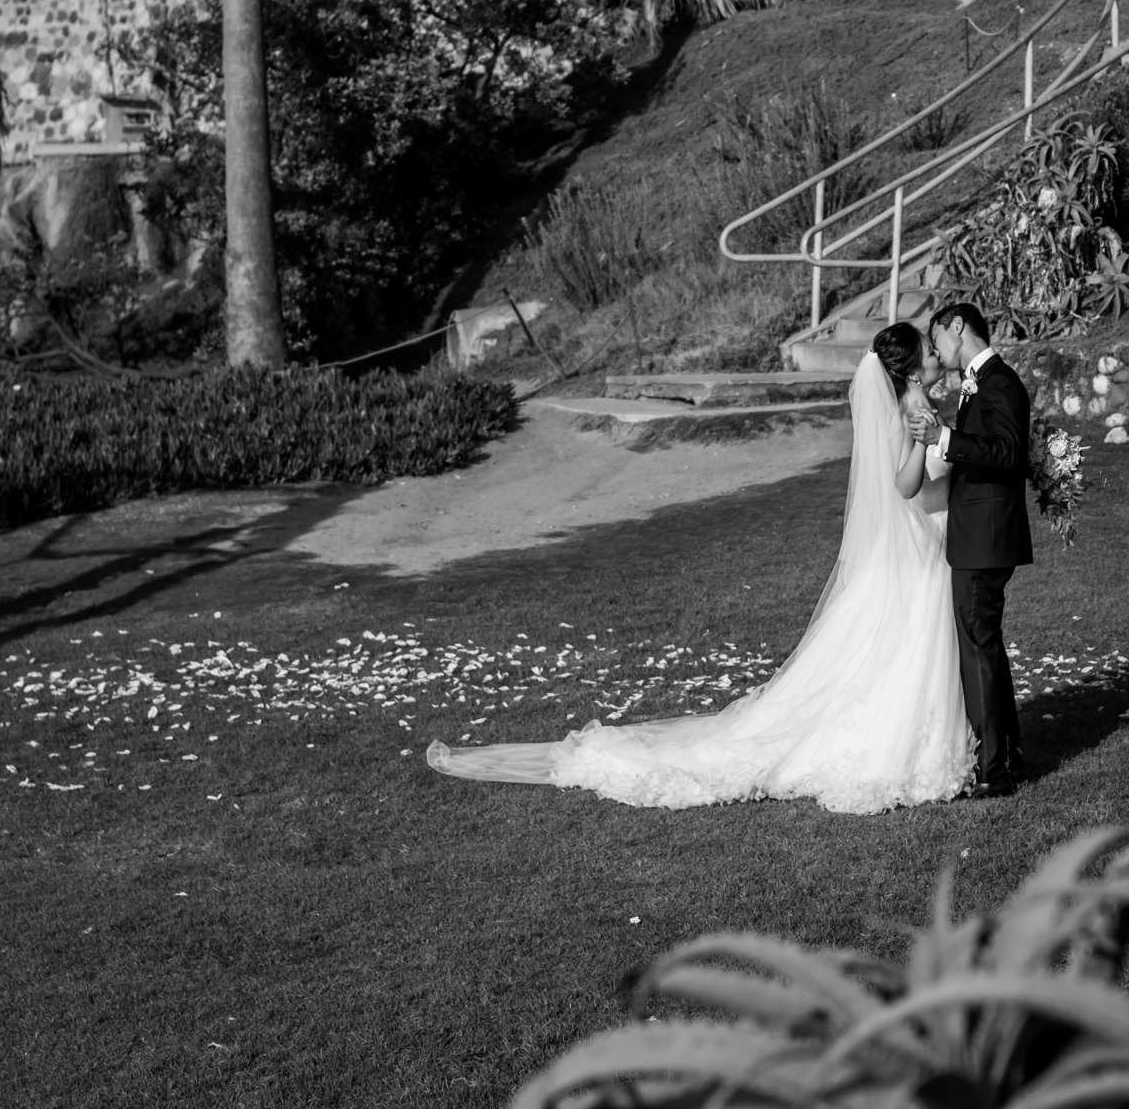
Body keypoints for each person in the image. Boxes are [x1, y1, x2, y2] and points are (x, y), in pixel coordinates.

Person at [423, 323, 972, 813]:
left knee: (882, 650)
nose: (935, 357)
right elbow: (904, 485)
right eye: (928, 351)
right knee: (901, 646)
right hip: (911, 544)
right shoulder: (913, 410)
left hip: (907, 544)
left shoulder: (900, 404)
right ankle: (902, 742)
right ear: (908, 369)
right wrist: (926, 444)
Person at [910, 302, 1035, 800]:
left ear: (957, 327)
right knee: (984, 644)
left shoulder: (999, 382)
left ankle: (994, 771)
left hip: (985, 539)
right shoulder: (977, 383)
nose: (936, 349)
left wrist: (945, 438)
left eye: (936, 337)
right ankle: (1005, 754)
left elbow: (1007, 453)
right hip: (977, 534)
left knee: (978, 647)